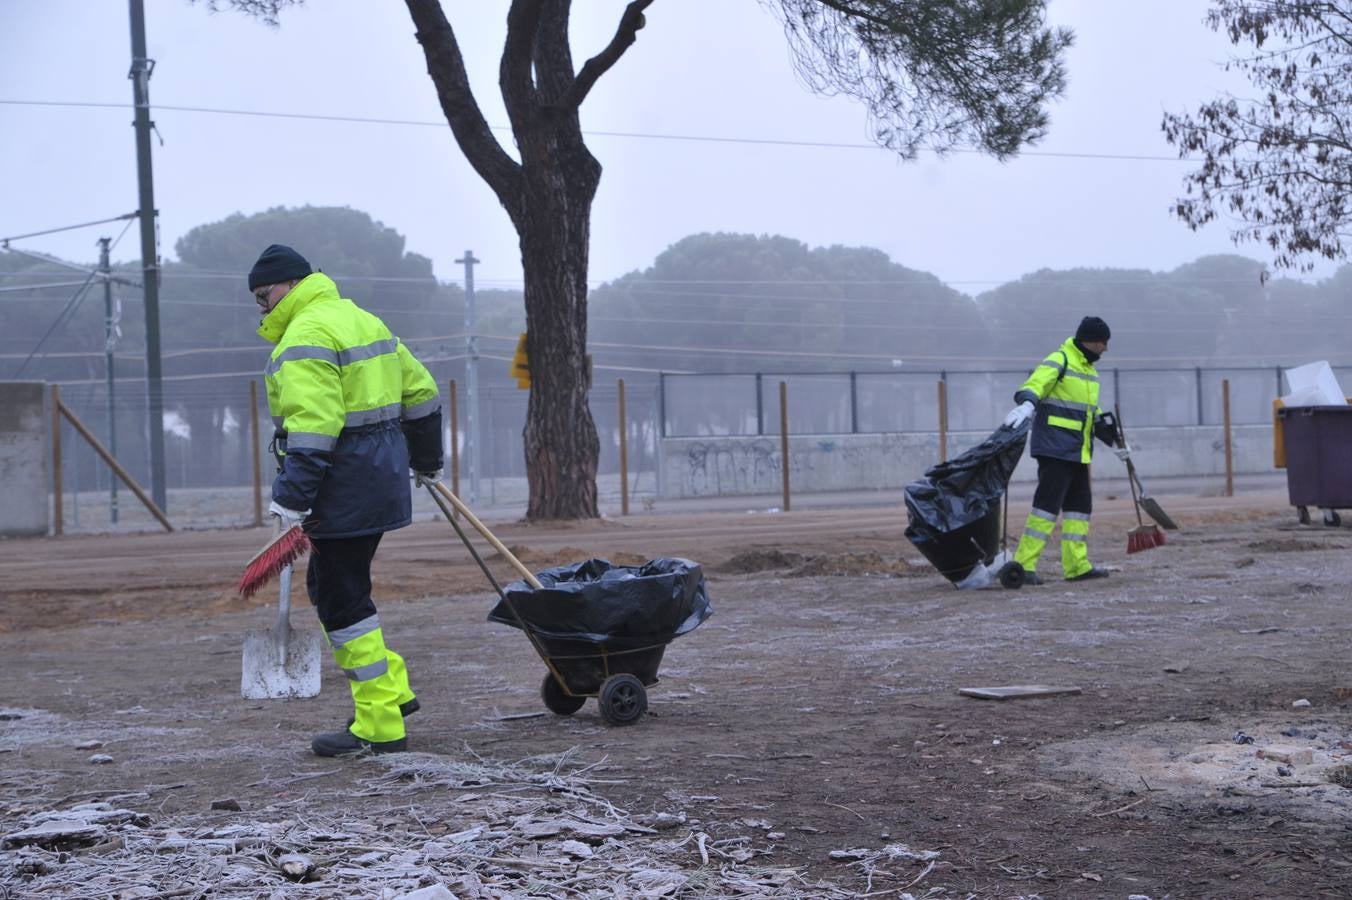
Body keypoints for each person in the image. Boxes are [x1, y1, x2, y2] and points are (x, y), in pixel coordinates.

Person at [250, 244, 443, 756]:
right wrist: (427, 459)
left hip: (343, 486)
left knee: (341, 598)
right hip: (379, 481)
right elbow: (421, 391)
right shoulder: (361, 318)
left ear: (290, 285)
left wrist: (291, 498)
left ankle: (379, 725)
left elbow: (312, 429)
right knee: (336, 587)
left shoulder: (305, 336)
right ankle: (394, 693)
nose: (261, 307)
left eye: (264, 295)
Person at [1001, 316, 1128, 585]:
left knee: (1079, 509)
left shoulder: (1090, 372)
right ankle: (1023, 566)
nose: (1105, 348)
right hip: (1055, 448)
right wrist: (1027, 404)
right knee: (1046, 508)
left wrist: (1114, 441)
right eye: (1103, 342)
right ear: (1090, 341)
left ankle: (1077, 566)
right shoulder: (1060, 360)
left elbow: (1089, 415)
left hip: (1078, 451)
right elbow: (1035, 384)